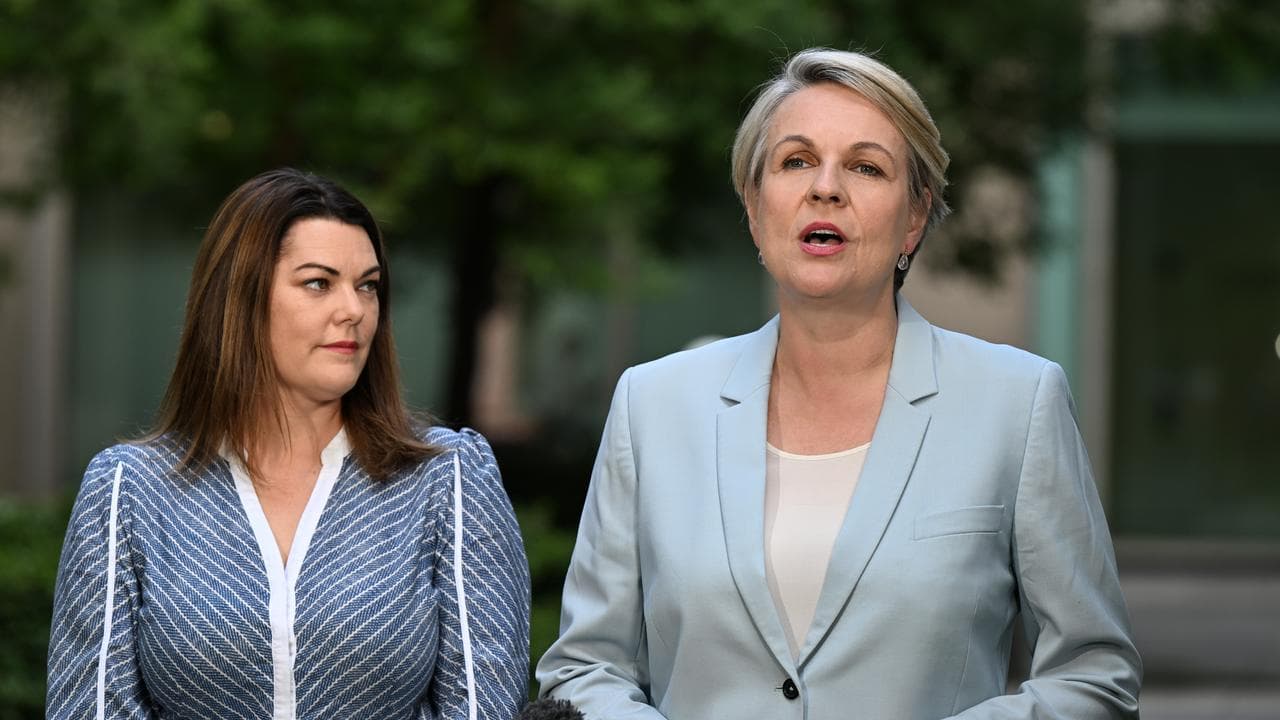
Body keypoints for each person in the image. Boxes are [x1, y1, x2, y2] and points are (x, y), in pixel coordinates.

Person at [536, 49, 1141, 719]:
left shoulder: (1017, 403)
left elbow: (1095, 675)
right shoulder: (653, 404)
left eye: (865, 167)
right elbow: (583, 669)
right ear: (754, 207)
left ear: (915, 217)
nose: (825, 187)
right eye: (796, 161)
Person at [47, 168, 531, 719]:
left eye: (367, 285)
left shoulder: (448, 477)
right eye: (319, 283)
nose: (354, 309)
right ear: (241, 300)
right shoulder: (128, 489)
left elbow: (483, 706)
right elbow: (89, 708)